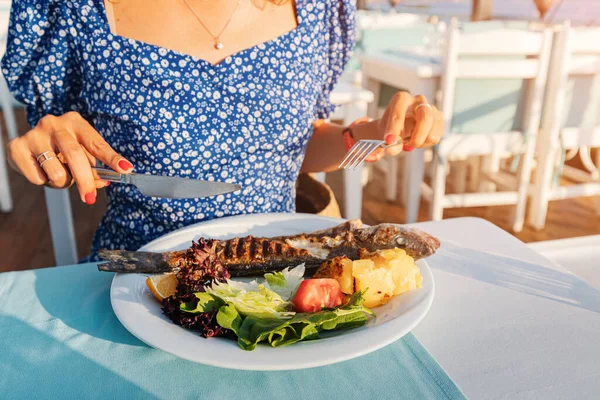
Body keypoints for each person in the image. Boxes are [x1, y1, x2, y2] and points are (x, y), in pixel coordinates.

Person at [3, 0, 442, 261]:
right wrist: (42, 150)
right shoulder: (72, 7)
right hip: (142, 277)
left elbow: (289, 146)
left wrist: (361, 137)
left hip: (280, 266)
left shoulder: (318, 6)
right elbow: (60, 143)